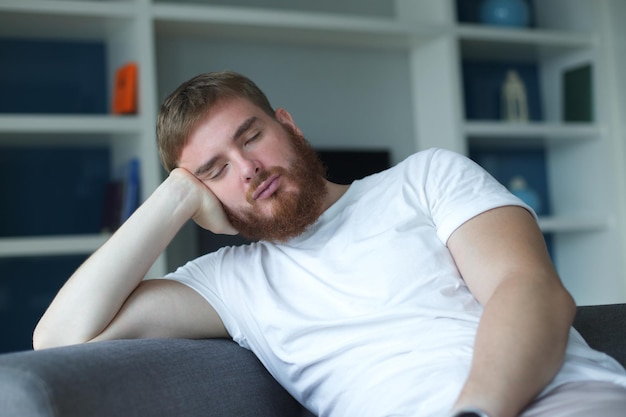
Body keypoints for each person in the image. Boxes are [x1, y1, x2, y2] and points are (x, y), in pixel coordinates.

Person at [33, 71, 626, 417]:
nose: (247, 168)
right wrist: (172, 201)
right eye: (214, 170)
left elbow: (527, 288)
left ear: (287, 125)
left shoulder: (423, 178)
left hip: (562, 400)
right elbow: (57, 339)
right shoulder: (230, 283)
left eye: (251, 136)